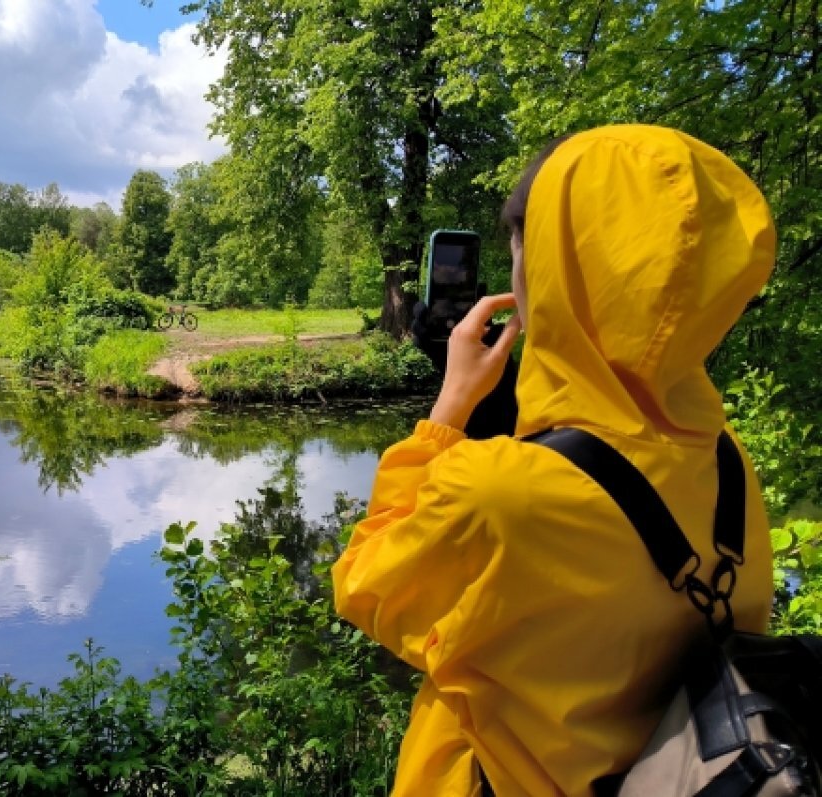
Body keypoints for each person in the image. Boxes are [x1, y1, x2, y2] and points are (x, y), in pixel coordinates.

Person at [332, 125, 777, 796]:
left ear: (545, 265)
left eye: (522, 244)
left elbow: (365, 584)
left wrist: (450, 407)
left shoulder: (495, 492)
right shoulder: (728, 463)